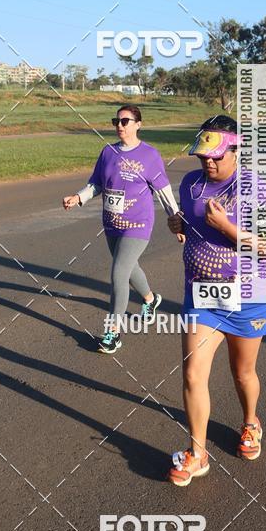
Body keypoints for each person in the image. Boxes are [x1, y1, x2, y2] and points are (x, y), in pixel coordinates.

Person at [166, 115, 266, 486]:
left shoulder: (254, 189)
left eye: (217, 156)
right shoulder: (189, 183)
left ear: (237, 151)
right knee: (192, 372)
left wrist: (230, 231)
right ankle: (197, 452)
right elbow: (191, 221)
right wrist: (179, 225)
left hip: (249, 295)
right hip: (201, 295)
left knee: (242, 371)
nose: (209, 163)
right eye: (203, 156)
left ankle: (251, 423)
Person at [62, 105, 179, 354]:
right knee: (128, 267)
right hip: (112, 223)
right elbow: (96, 183)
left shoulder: (149, 155)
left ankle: (112, 333)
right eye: (117, 120)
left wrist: (176, 219)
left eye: (126, 121)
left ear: (138, 124)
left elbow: (164, 191)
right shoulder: (108, 152)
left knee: (118, 273)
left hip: (139, 224)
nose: (120, 125)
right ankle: (150, 299)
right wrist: (78, 197)